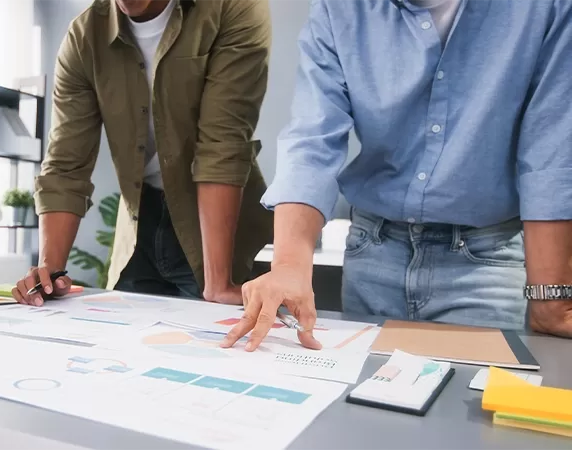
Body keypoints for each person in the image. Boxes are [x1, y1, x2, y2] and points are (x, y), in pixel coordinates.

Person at [222, 0, 572, 352]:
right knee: (364, 396)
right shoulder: (339, 7)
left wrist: (550, 296)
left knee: (470, 400)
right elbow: (313, 139)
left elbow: (550, 151)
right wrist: (288, 266)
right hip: (374, 248)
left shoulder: (541, 8)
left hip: (485, 261)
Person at [12, 0, 273, 305]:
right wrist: (50, 273)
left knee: (220, 344)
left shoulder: (234, 8)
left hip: (217, 231)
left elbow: (222, 145)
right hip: (139, 228)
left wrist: (217, 283)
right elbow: (66, 165)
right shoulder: (84, 37)